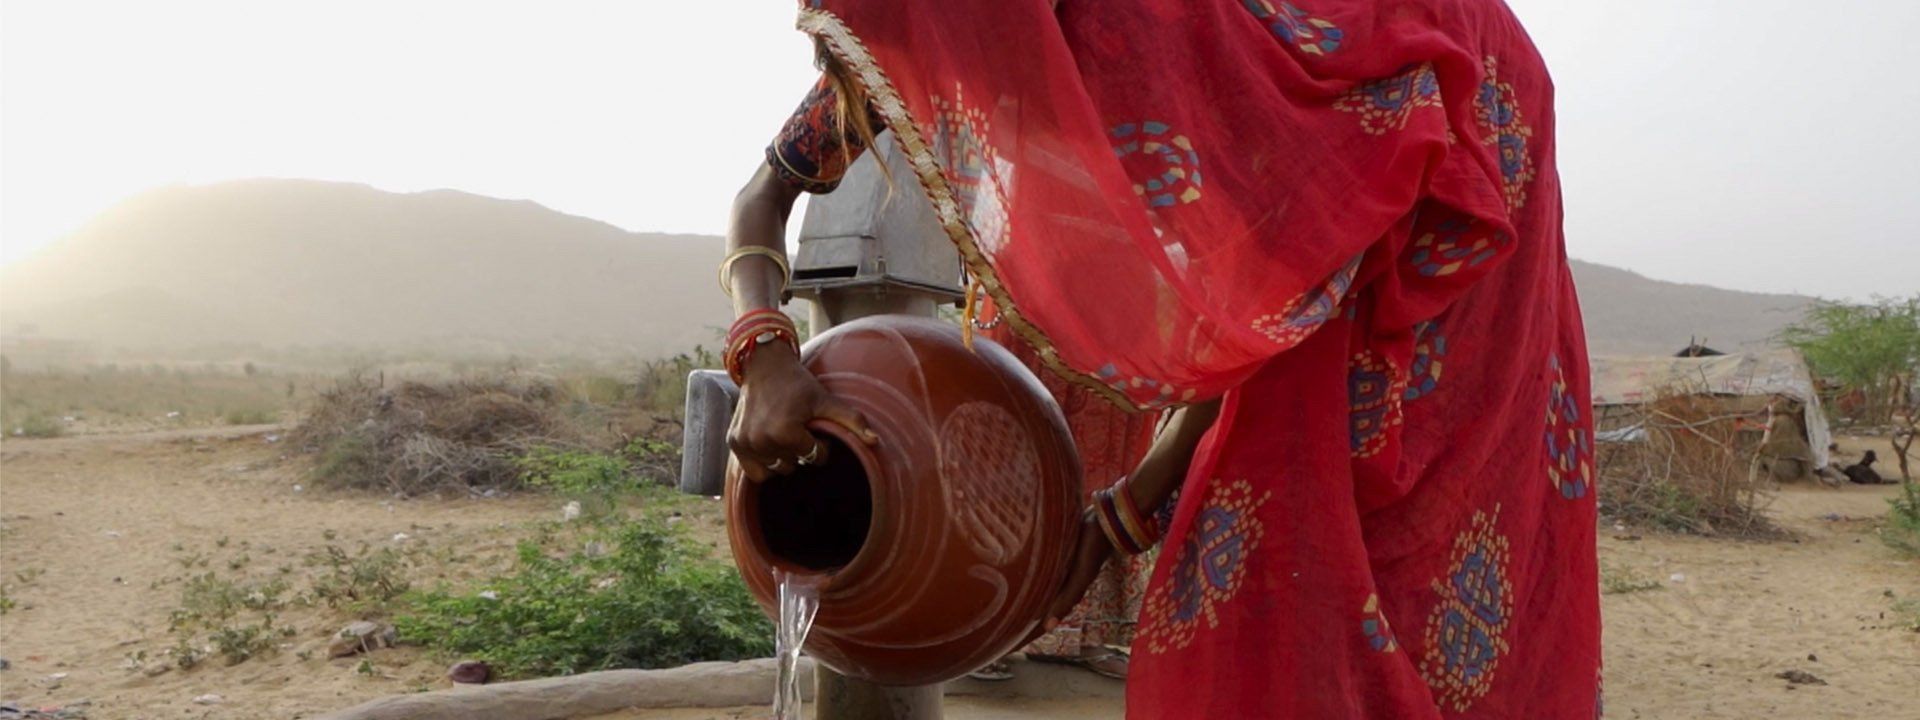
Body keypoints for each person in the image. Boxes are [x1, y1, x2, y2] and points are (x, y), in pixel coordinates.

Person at [722, 1, 1599, 717]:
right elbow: (762, 197)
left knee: (1343, 547)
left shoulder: (1158, 51)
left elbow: (1270, 316)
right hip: (1312, 273)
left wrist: (1119, 520)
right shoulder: (909, 54)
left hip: (1447, 129)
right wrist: (763, 350)